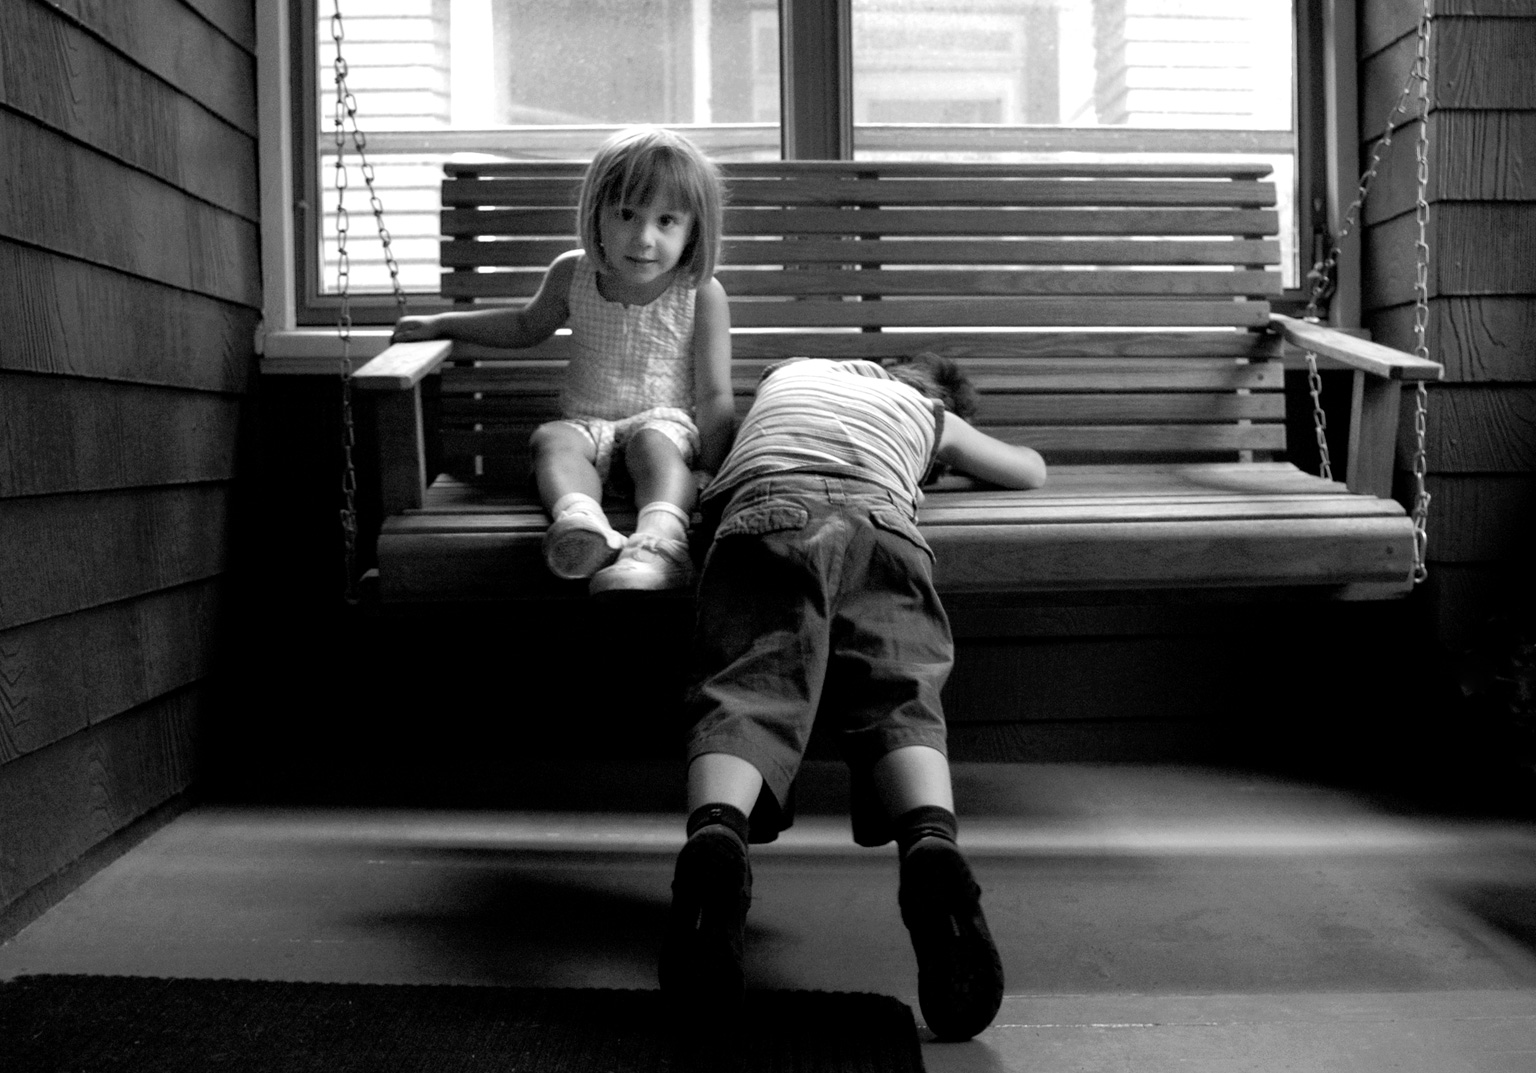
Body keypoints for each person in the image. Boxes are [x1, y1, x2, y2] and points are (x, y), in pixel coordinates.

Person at [658, 353, 1047, 1041]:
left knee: (747, 685)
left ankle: (718, 831)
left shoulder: (789, 376)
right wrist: (938, 454)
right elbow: (1028, 470)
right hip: (881, 520)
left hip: (762, 511)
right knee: (901, 689)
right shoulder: (929, 413)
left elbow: (724, 440)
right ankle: (929, 839)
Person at [392, 126, 733, 594]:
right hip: (589, 428)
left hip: (665, 431)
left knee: (650, 444)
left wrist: (713, 474)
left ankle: (659, 543)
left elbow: (713, 395)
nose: (643, 237)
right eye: (626, 214)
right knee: (551, 438)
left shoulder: (698, 293)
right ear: (597, 215)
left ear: (694, 229)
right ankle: (582, 527)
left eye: (666, 220)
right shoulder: (573, 273)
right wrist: (443, 324)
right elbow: (523, 326)